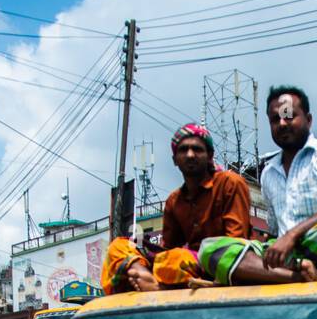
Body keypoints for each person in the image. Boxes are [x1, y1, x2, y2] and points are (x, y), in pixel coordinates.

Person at [208, 85, 317, 284]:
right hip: (290, 259)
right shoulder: (268, 173)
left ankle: (282, 273)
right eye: (275, 119)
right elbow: (274, 232)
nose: (282, 123)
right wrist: (264, 250)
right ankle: (299, 276)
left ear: (308, 120)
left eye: (288, 115)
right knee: (211, 249)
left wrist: (291, 236)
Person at [102, 123, 253, 293]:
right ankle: (148, 279)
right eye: (183, 150)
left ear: (210, 155)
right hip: (184, 267)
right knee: (118, 246)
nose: (190, 155)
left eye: (197, 149)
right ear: (174, 159)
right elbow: (167, 249)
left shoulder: (230, 183)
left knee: (177, 259)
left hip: (221, 261)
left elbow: (237, 242)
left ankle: (158, 286)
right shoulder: (174, 201)